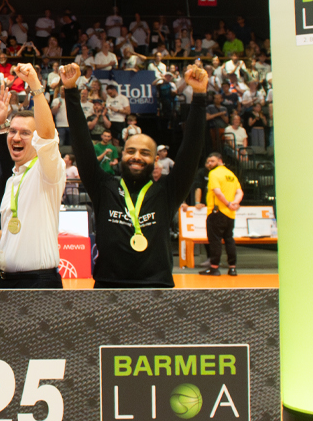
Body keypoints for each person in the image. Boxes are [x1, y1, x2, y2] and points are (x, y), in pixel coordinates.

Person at [61, 62, 209, 288]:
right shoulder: (103, 187)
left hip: (157, 288)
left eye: (145, 153)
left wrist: (199, 95)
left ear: (155, 160)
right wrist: (71, 91)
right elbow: (81, 143)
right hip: (108, 287)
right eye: (130, 151)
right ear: (122, 155)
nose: (136, 157)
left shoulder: (167, 192)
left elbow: (191, 149)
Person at [0, 64, 66, 288]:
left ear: (35, 139)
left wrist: (34, 84)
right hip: (6, 281)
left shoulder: (47, 170)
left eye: (25, 133)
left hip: (38, 283)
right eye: (13, 131)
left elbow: (47, 135)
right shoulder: (12, 178)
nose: (16, 137)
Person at [200, 152, 242, 276]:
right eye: (208, 162)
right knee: (229, 239)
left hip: (217, 211)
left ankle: (214, 268)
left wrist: (228, 204)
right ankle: (232, 268)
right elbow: (240, 192)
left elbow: (217, 192)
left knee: (215, 241)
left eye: (212, 161)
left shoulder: (214, 174)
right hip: (230, 214)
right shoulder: (231, 174)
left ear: (220, 160)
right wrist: (235, 203)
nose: (209, 164)